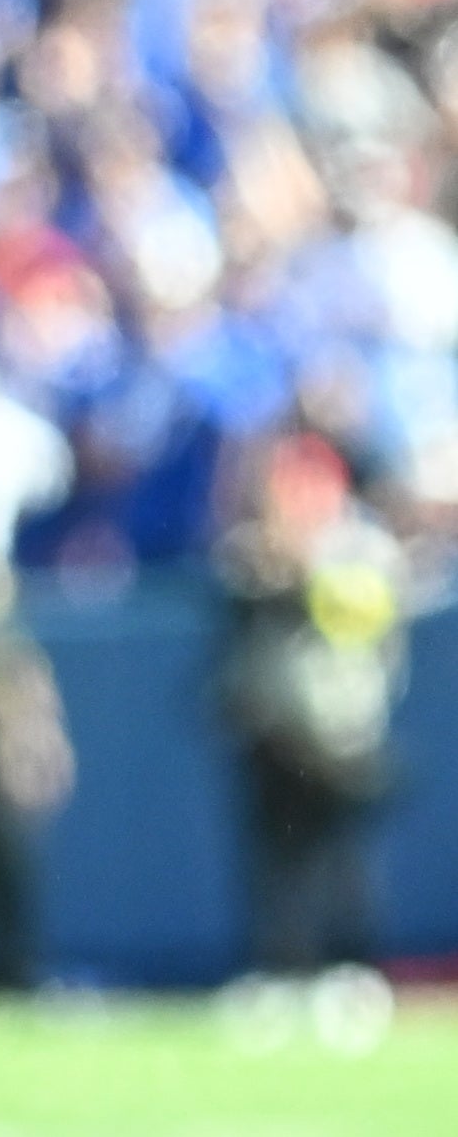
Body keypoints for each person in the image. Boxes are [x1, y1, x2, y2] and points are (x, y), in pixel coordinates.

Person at [213, 433, 410, 1027]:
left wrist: (306, 570)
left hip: (341, 724)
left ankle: (350, 970)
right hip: (276, 728)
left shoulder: (359, 548)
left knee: (341, 857)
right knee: (276, 857)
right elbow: (238, 590)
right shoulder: (253, 551)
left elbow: (360, 614)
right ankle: (281, 969)